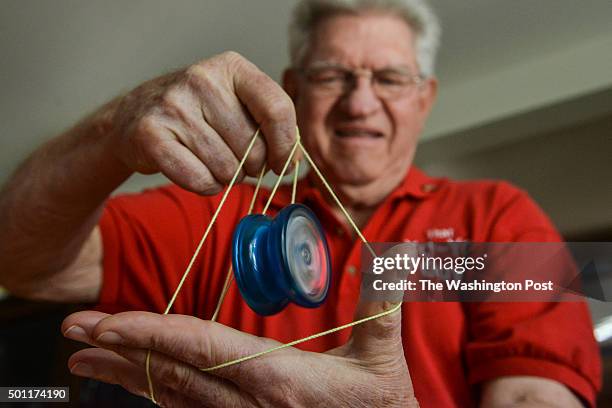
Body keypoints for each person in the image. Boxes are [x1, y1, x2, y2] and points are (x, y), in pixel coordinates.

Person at [0, 0, 601, 406]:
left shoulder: (500, 215)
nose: (359, 104)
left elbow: (536, 395)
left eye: (389, 79)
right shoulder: (220, 211)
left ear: (425, 97)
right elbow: (21, 260)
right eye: (332, 76)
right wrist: (112, 130)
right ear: (292, 89)